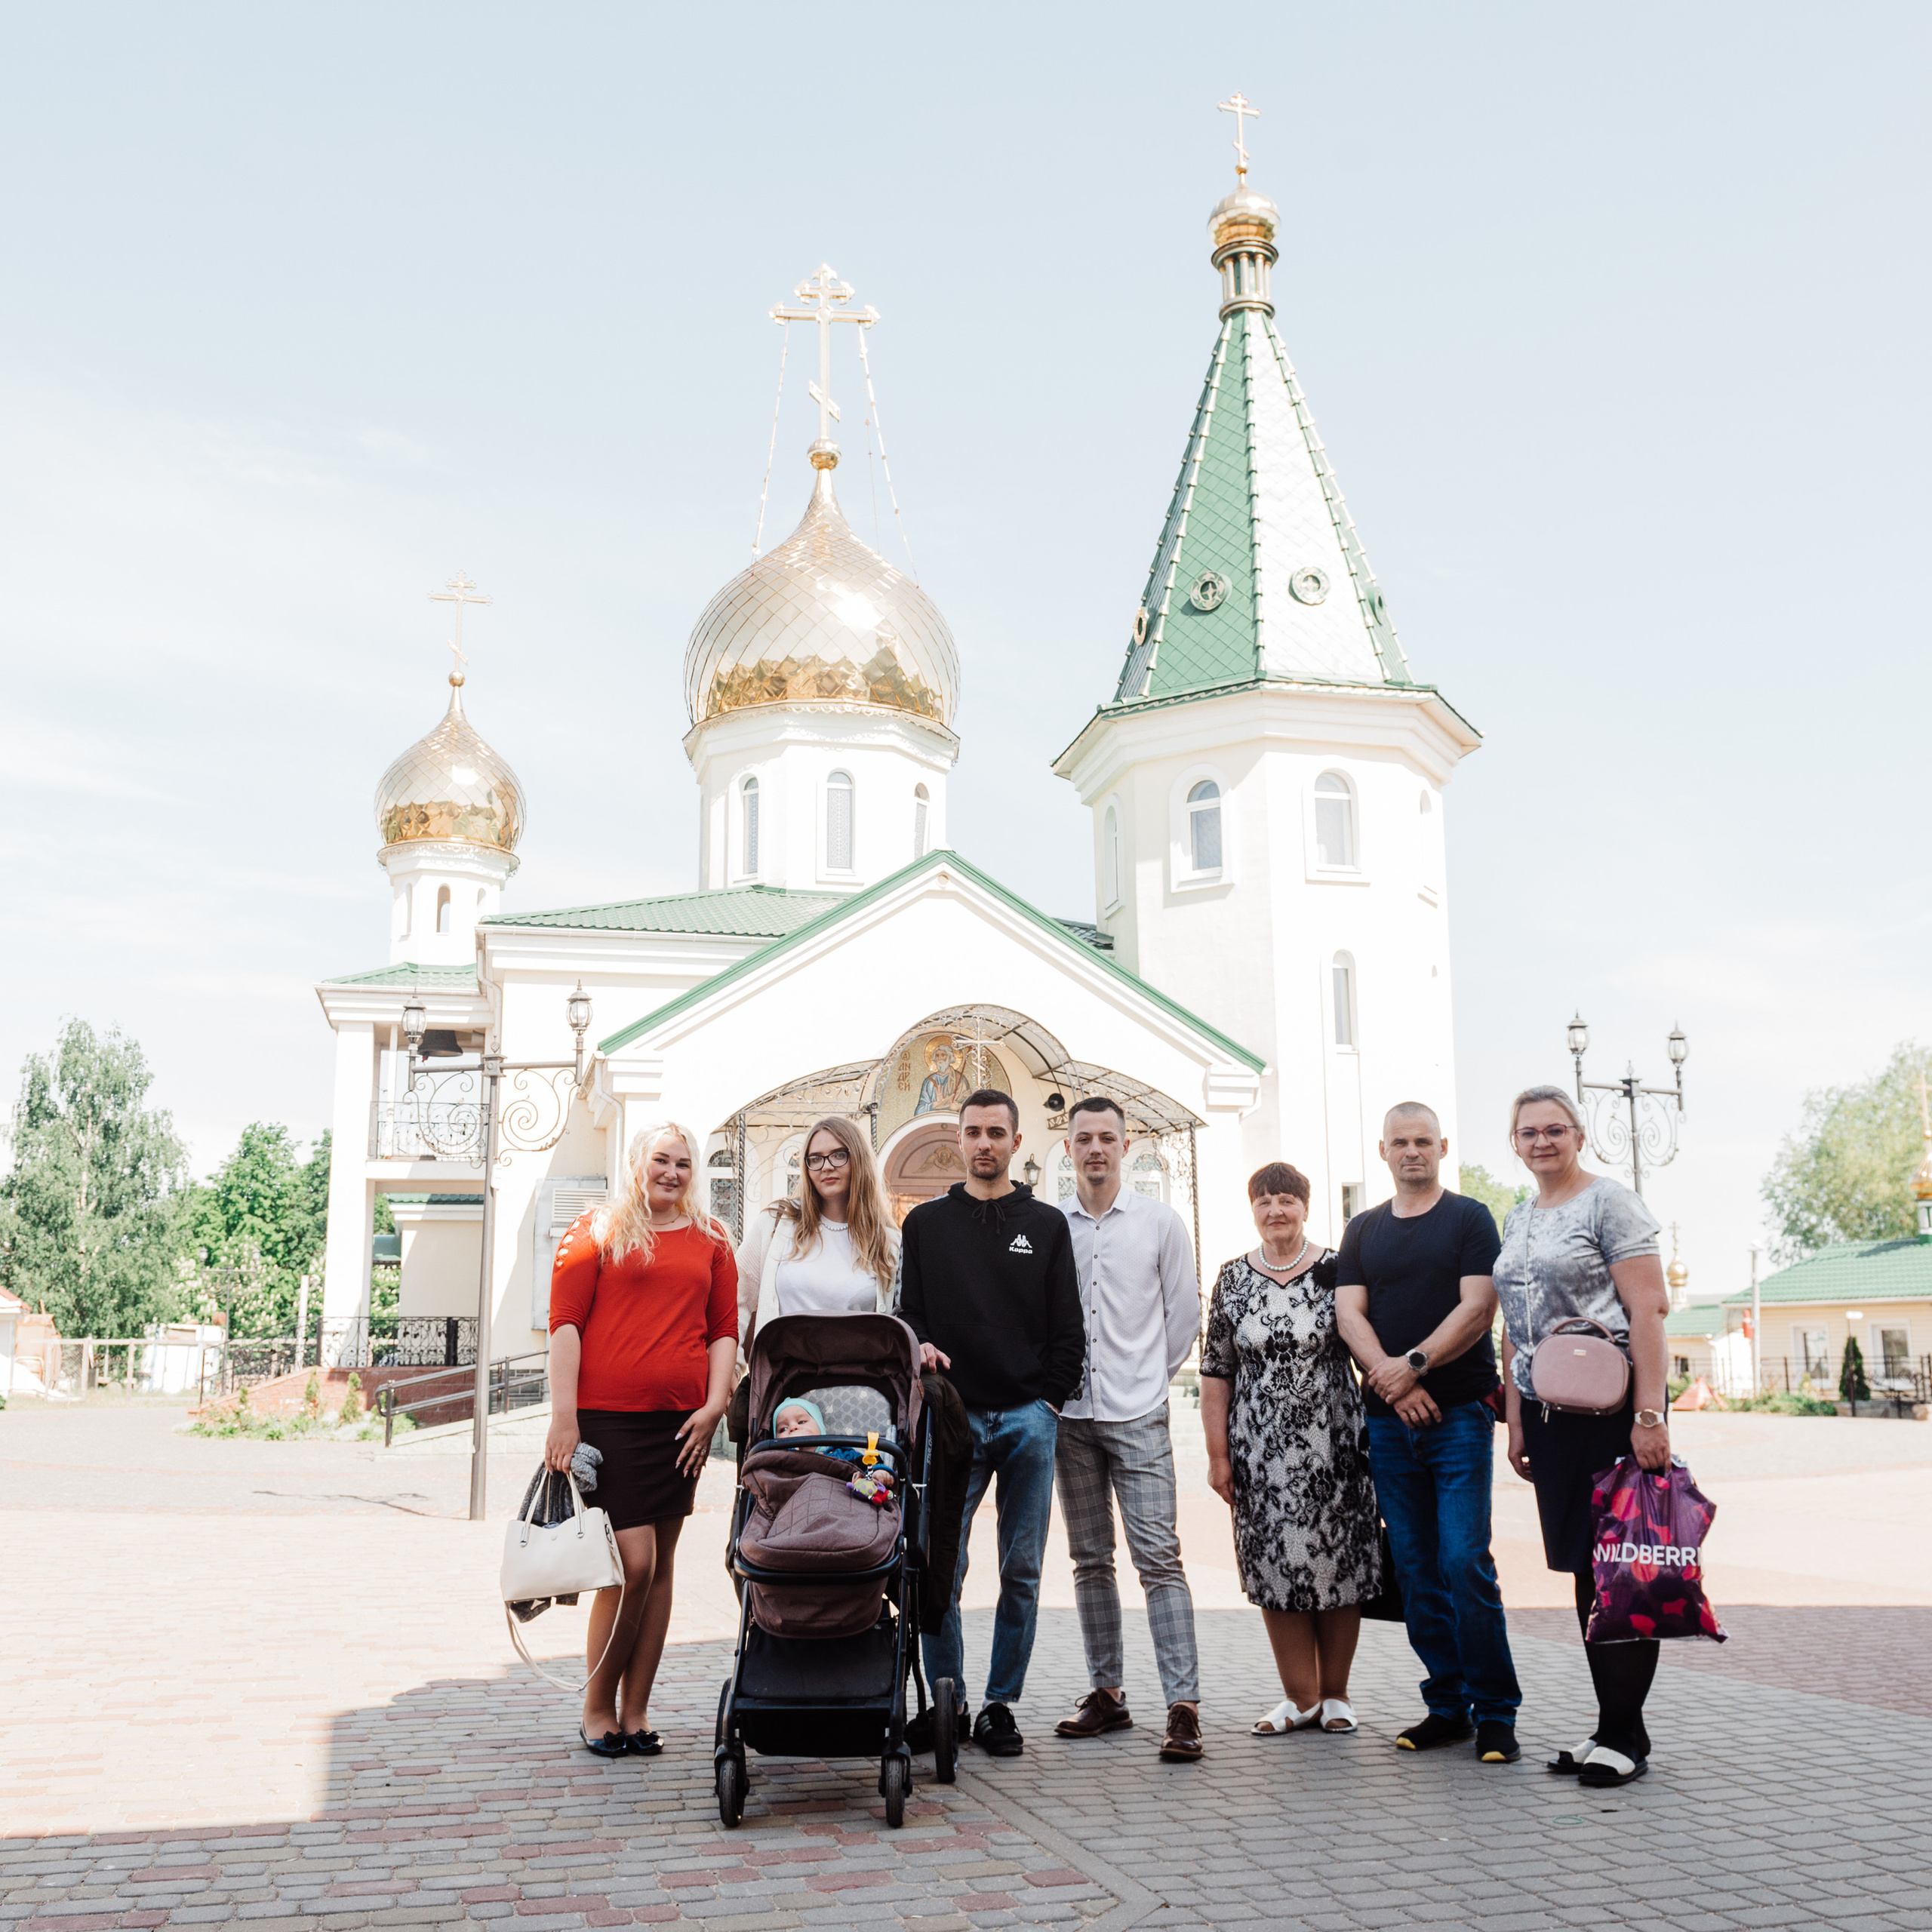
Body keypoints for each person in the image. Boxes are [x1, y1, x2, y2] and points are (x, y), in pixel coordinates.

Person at [1334, 1102, 1521, 1764]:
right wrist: (1393, 1383)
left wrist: (1410, 1368)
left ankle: (1497, 1712)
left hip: (1458, 1419)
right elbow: (1347, 1312)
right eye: (1399, 1143)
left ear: (1442, 1146)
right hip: (1389, 1426)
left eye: (1422, 1141)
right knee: (1415, 1569)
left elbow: (1479, 1307)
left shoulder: (1469, 1219)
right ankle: (1448, 1706)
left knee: (1464, 1560)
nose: (1411, 1151)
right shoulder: (1363, 1229)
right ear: (1382, 1151)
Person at [899, 1088, 1084, 1759]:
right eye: (973, 1132)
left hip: (1028, 1419)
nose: (984, 1143)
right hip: (951, 1419)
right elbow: (909, 1313)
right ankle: (948, 1698)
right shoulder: (925, 1225)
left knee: (1023, 1567)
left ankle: (1001, 1704)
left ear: (1016, 1141)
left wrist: (1049, 1403)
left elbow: (1070, 1329)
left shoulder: (1048, 1224)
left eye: (996, 1133)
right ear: (960, 1138)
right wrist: (920, 1344)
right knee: (940, 1566)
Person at [1494, 1084, 1670, 1789]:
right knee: (1584, 1572)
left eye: (1555, 1129)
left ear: (1579, 1136)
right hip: (1549, 1416)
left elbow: (1649, 1308)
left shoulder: (1610, 1202)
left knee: (1621, 1572)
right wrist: (1514, 1418)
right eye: (1528, 1132)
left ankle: (1624, 1736)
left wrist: (1650, 1413)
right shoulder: (1518, 1217)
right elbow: (1514, 1330)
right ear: (1514, 1143)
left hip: (1617, 1416)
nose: (1542, 1141)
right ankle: (1615, 1726)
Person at [546, 1124, 737, 1759]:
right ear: (638, 1164)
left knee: (661, 1570)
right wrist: (564, 1419)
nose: (673, 1173)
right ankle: (597, 1706)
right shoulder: (594, 1230)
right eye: (661, 1160)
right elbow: (565, 1325)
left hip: (681, 1426)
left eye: (684, 1164)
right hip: (609, 1422)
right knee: (632, 1565)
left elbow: (723, 1331)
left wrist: (714, 1406)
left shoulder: (713, 1241)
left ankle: (636, 1712)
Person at [1049, 1097, 1206, 1763]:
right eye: (1083, 1139)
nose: (1095, 1149)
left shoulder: (1160, 1222)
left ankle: (1184, 1704)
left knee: (1158, 1558)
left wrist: (1149, 1378)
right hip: (1071, 1417)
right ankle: (1107, 1693)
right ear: (1067, 1147)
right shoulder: (1053, 1227)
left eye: (1106, 1138)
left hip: (1138, 1412)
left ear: (1126, 1144)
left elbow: (1182, 1315)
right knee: (1089, 1560)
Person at [1201, 1161, 1381, 1740]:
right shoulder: (1232, 1278)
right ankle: (1298, 1698)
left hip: (1335, 1446)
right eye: (1264, 1201)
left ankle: (1336, 1696)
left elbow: (1365, 1346)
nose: (1276, 1210)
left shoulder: (1337, 1269)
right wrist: (1218, 1456)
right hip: (1260, 1454)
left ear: (1306, 1206)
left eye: (1287, 1200)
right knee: (1276, 1568)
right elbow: (1215, 1373)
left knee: (1338, 1567)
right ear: (1251, 1209)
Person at [736, 1114, 899, 1358]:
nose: (827, 1166)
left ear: (859, 1159)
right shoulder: (777, 1223)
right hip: (785, 1383)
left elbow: (900, 1325)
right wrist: (734, 1368)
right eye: (816, 1159)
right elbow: (735, 1301)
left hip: (856, 1385)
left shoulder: (888, 1242)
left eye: (839, 1155)